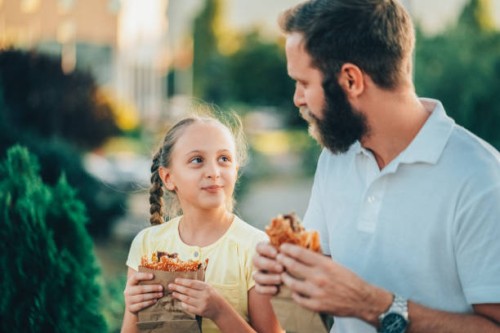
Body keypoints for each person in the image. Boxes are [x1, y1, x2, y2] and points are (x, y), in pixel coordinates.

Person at [252, 0, 500, 332]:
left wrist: (375, 306)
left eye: (304, 83)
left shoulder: (482, 179)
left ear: (351, 80)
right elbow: (324, 279)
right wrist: (286, 269)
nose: (298, 98)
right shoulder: (335, 157)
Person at [121, 110, 282, 333]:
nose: (214, 172)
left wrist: (219, 311)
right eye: (197, 160)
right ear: (168, 177)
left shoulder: (258, 248)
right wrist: (132, 308)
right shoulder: (147, 244)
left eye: (224, 159)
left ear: (235, 171)